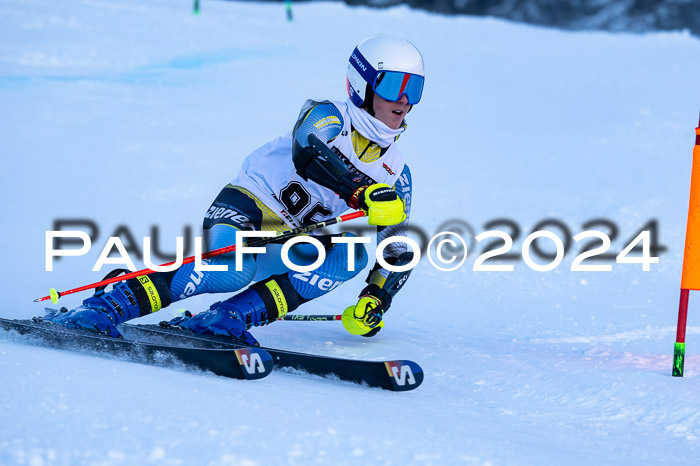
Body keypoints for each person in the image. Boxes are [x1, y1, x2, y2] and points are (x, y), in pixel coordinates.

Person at [43, 35, 424, 345]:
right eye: (394, 86)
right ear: (363, 84)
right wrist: (360, 192)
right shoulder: (328, 115)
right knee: (231, 269)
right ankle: (110, 303)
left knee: (352, 254)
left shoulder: (397, 172)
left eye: (415, 89)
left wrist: (377, 296)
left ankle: (227, 317)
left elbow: (399, 246)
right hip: (251, 207)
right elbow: (308, 148)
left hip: (294, 240)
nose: (405, 100)